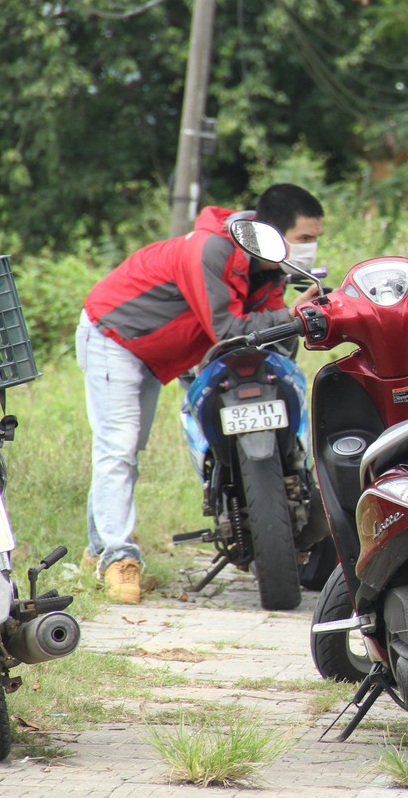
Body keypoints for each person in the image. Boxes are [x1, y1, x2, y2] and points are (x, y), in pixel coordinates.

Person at [77, 184, 325, 603]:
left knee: (124, 449)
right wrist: (291, 315)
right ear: (268, 233)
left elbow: (270, 338)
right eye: (304, 239)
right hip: (115, 337)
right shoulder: (213, 250)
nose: (310, 250)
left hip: (165, 351)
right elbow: (230, 330)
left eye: (315, 240)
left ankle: (99, 550)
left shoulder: (269, 267)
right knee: (119, 448)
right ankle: (118, 558)